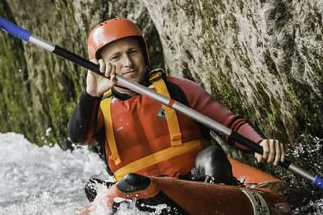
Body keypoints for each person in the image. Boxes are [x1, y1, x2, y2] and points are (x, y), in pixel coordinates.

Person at [68, 18, 284, 185]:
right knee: (101, 187)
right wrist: (90, 95)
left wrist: (259, 143)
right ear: (101, 65)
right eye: (116, 58)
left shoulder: (177, 89)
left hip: (198, 185)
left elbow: (230, 125)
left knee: (212, 157)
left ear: (144, 54)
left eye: (132, 52)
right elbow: (79, 137)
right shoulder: (97, 107)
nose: (127, 63)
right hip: (140, 198)